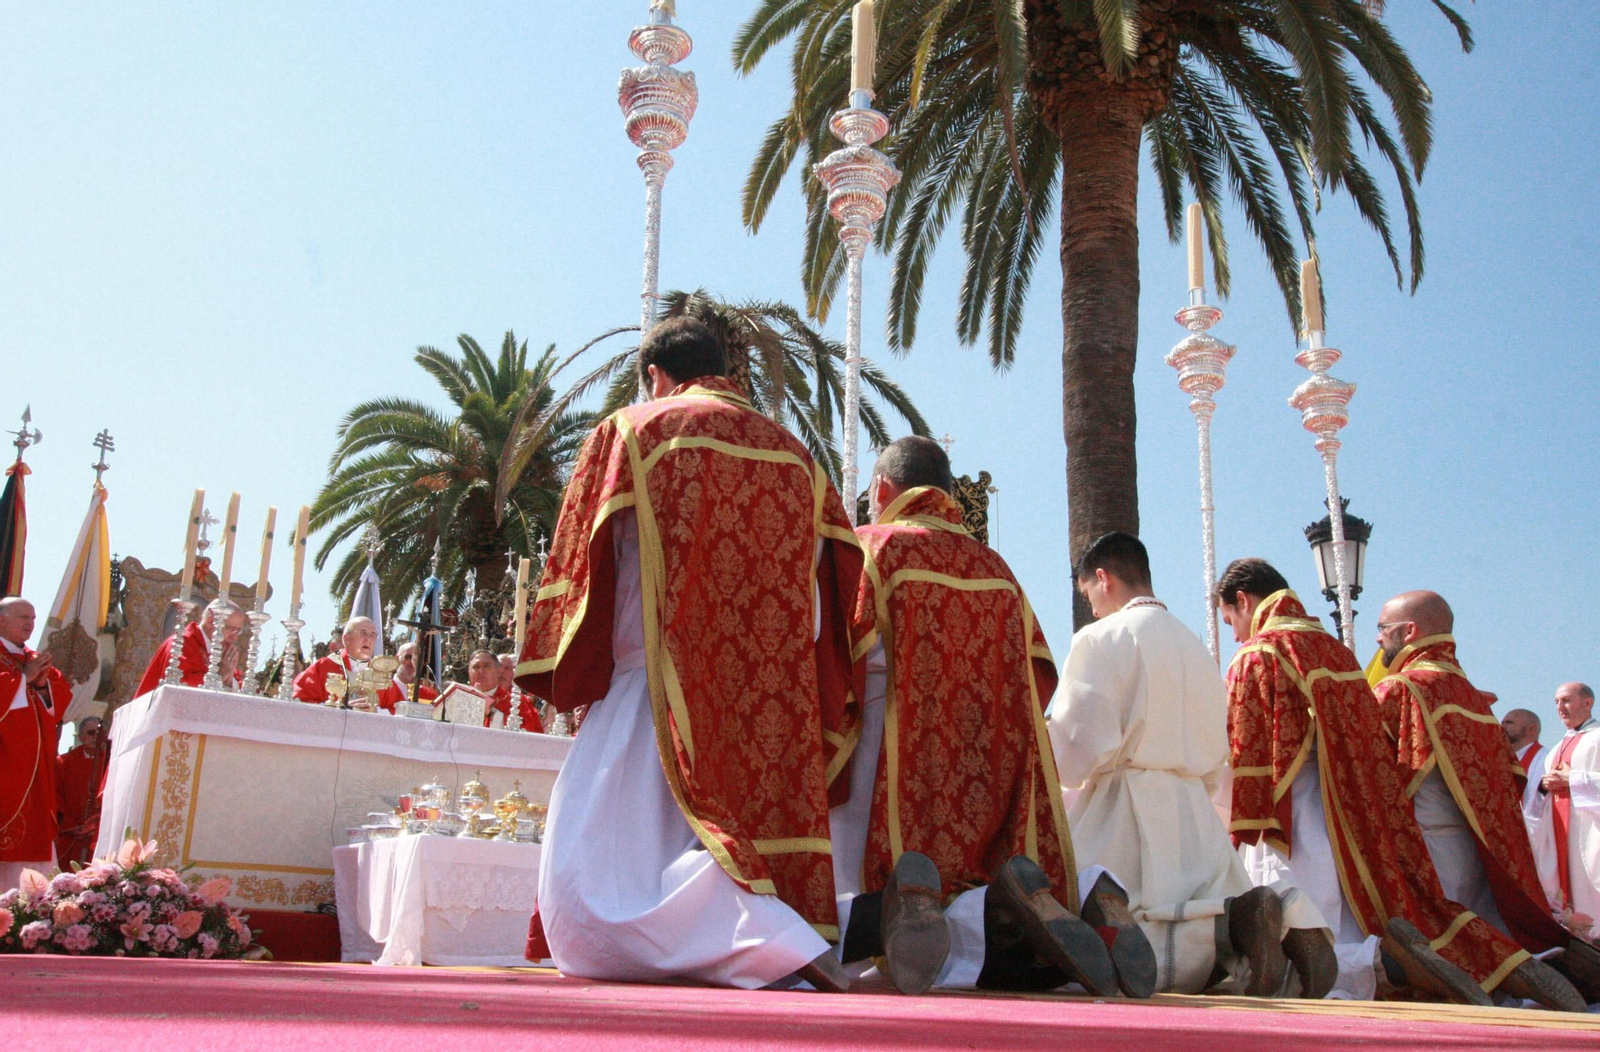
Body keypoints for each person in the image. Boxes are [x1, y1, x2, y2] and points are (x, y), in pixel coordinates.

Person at [516, 316, 860, 990]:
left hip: (656, 685)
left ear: (656, 375)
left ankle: (770, 939)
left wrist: (574, 658)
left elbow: (585, 555)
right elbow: (833, 581)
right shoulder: (797, 456)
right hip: (770, 701)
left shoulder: (633, 431)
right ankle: (798, 935)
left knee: (589, 887)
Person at [831, 437, 1134, 997]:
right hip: (986, 774)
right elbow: (1039, 675)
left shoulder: (870, 547)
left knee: (855, 901)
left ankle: (896, 915)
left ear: (882, 490)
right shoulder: (998, 570)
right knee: (973, 879)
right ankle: (1084, 901)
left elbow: (834, 656)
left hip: (887, 758)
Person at [1218, 560, 1581, 1009]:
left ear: (1243, 601)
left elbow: (1247, 746)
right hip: (1393, 832)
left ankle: (1385, 965)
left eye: (1230, 621)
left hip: (1301, 818)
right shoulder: (1342, 655)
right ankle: (1525, 964)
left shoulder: (1267, 654)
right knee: (1355, 922)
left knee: (1300, 927)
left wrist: (1236, 818)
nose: (1235, 634)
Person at [1047, 533, 1298, 997]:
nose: (1093, 609)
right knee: (1200, 899)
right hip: (1192, 811)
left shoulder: (1100, 638)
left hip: (1121, 805)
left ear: (1103, 578)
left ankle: (1159, 947)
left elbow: (1077, 744)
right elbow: (1218, 748)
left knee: (1086, 904)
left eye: (1088, 595)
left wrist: (1048, 759)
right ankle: (1247, 931)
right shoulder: (1196, 646)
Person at [1370, 590, 1581, 1009]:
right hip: (1478, 844)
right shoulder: (1473, 697)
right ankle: (1516, 978)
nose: (1378, 639)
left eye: (1382, 628)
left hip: (1424, 840)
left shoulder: (1401, 687)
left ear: (1409, 631)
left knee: (1435, 936)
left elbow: (1363, 761)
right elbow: (1510, 776)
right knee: (1478, 920)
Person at [0, 597, 72, 887]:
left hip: (37, 769)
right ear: (1, 620)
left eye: (32, 619)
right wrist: (22, 679)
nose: (30, 624)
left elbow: (60, 700)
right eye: (23, 618)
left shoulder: (34, 658)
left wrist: (41, 685)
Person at [1530, 684, 1600, 942]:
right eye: (1557, 702)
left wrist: (1574, 780)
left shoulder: (1597, 737)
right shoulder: (1557, 747)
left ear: (1587, 703)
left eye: (1566, 700)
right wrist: (1545, 786)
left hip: (1590, 832)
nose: (1560, 707)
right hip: (1560, 830)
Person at [133, 599, 247, 698]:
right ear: (211, 621)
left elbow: (241, 687)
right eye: (231, 629)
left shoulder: (221, 651)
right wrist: (219, 676)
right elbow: (179, 687)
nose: (235, 637)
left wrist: (229, 681)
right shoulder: (181, 643)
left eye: (238, 630)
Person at [55, 716, 109, 868]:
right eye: (91, 733)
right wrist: (71, 825)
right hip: (69, 834)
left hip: (96, 834)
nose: (96, 737)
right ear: (80, 737)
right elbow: (56, 797)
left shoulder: (109, 763)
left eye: (100, 734)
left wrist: (96, 825)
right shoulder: (64, 762)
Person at [293, 616, 377, 703]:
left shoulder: (380, 673)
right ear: (347, 639)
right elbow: (299, 700)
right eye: (363, 633)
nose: (368, 639)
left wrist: (375, 709)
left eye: (372, 635)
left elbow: (387, 705)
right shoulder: (323, 667)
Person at [1503, 708, 1547, 813]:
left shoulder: (1547, 759)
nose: (1502, 727)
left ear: (1530, 729)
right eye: (1502, 723)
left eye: (1509, 723)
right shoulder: (1499, 758)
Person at [376, 641, 438, 713]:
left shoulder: (429, 695)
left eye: (417, 659)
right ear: (397, 659)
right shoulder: (381, 688)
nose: (412, 662)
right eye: (408, 657)